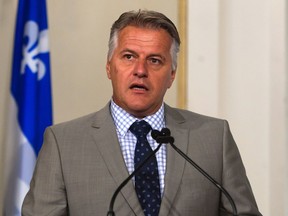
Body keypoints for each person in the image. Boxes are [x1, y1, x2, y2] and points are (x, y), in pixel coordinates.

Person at [22, 10, 262, 216]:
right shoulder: (64, 144)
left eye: (155, 60)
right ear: (109, 67)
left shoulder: (213, 138)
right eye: (128, 57)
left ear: (172, 75)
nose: (140, 70)